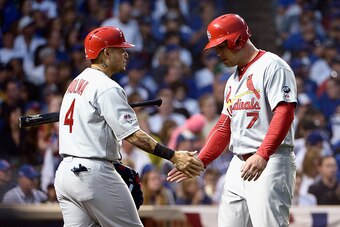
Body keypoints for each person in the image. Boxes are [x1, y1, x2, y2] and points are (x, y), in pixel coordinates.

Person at [54, 26, 204, 227]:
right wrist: (173, 155)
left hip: (66, 174)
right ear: (106, 53)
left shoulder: (75, 83)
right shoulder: (107, 86)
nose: (125, 54)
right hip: (94, 172)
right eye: (120, 49)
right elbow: (132, 135)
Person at [168, 13, 298, 227]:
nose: (217, 53)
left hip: (270, 160)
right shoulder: (232, 80)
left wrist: (263, 153)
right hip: (239, 163)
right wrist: (202, 160)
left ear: (238, 40)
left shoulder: (273, 66)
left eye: (221, 46)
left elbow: (284, 112)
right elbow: (224, 126)